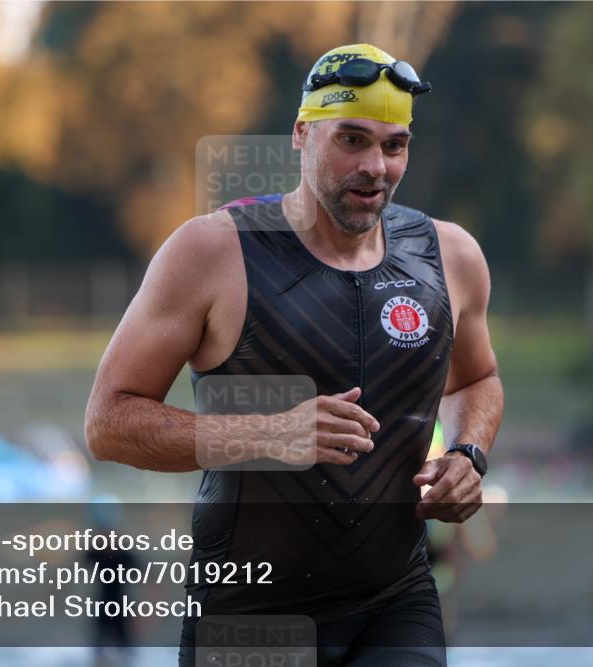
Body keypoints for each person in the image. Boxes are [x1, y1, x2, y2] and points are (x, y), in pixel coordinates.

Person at [85, 43, 504, 666]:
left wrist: (469, 454)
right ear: (302, 135)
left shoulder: (450, 256)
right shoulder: (212, 253)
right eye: (353, 140)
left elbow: (479, 379)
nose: (376, 167)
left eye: (395, 145)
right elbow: (108, 424)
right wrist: (268, 434)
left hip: (397, 602)